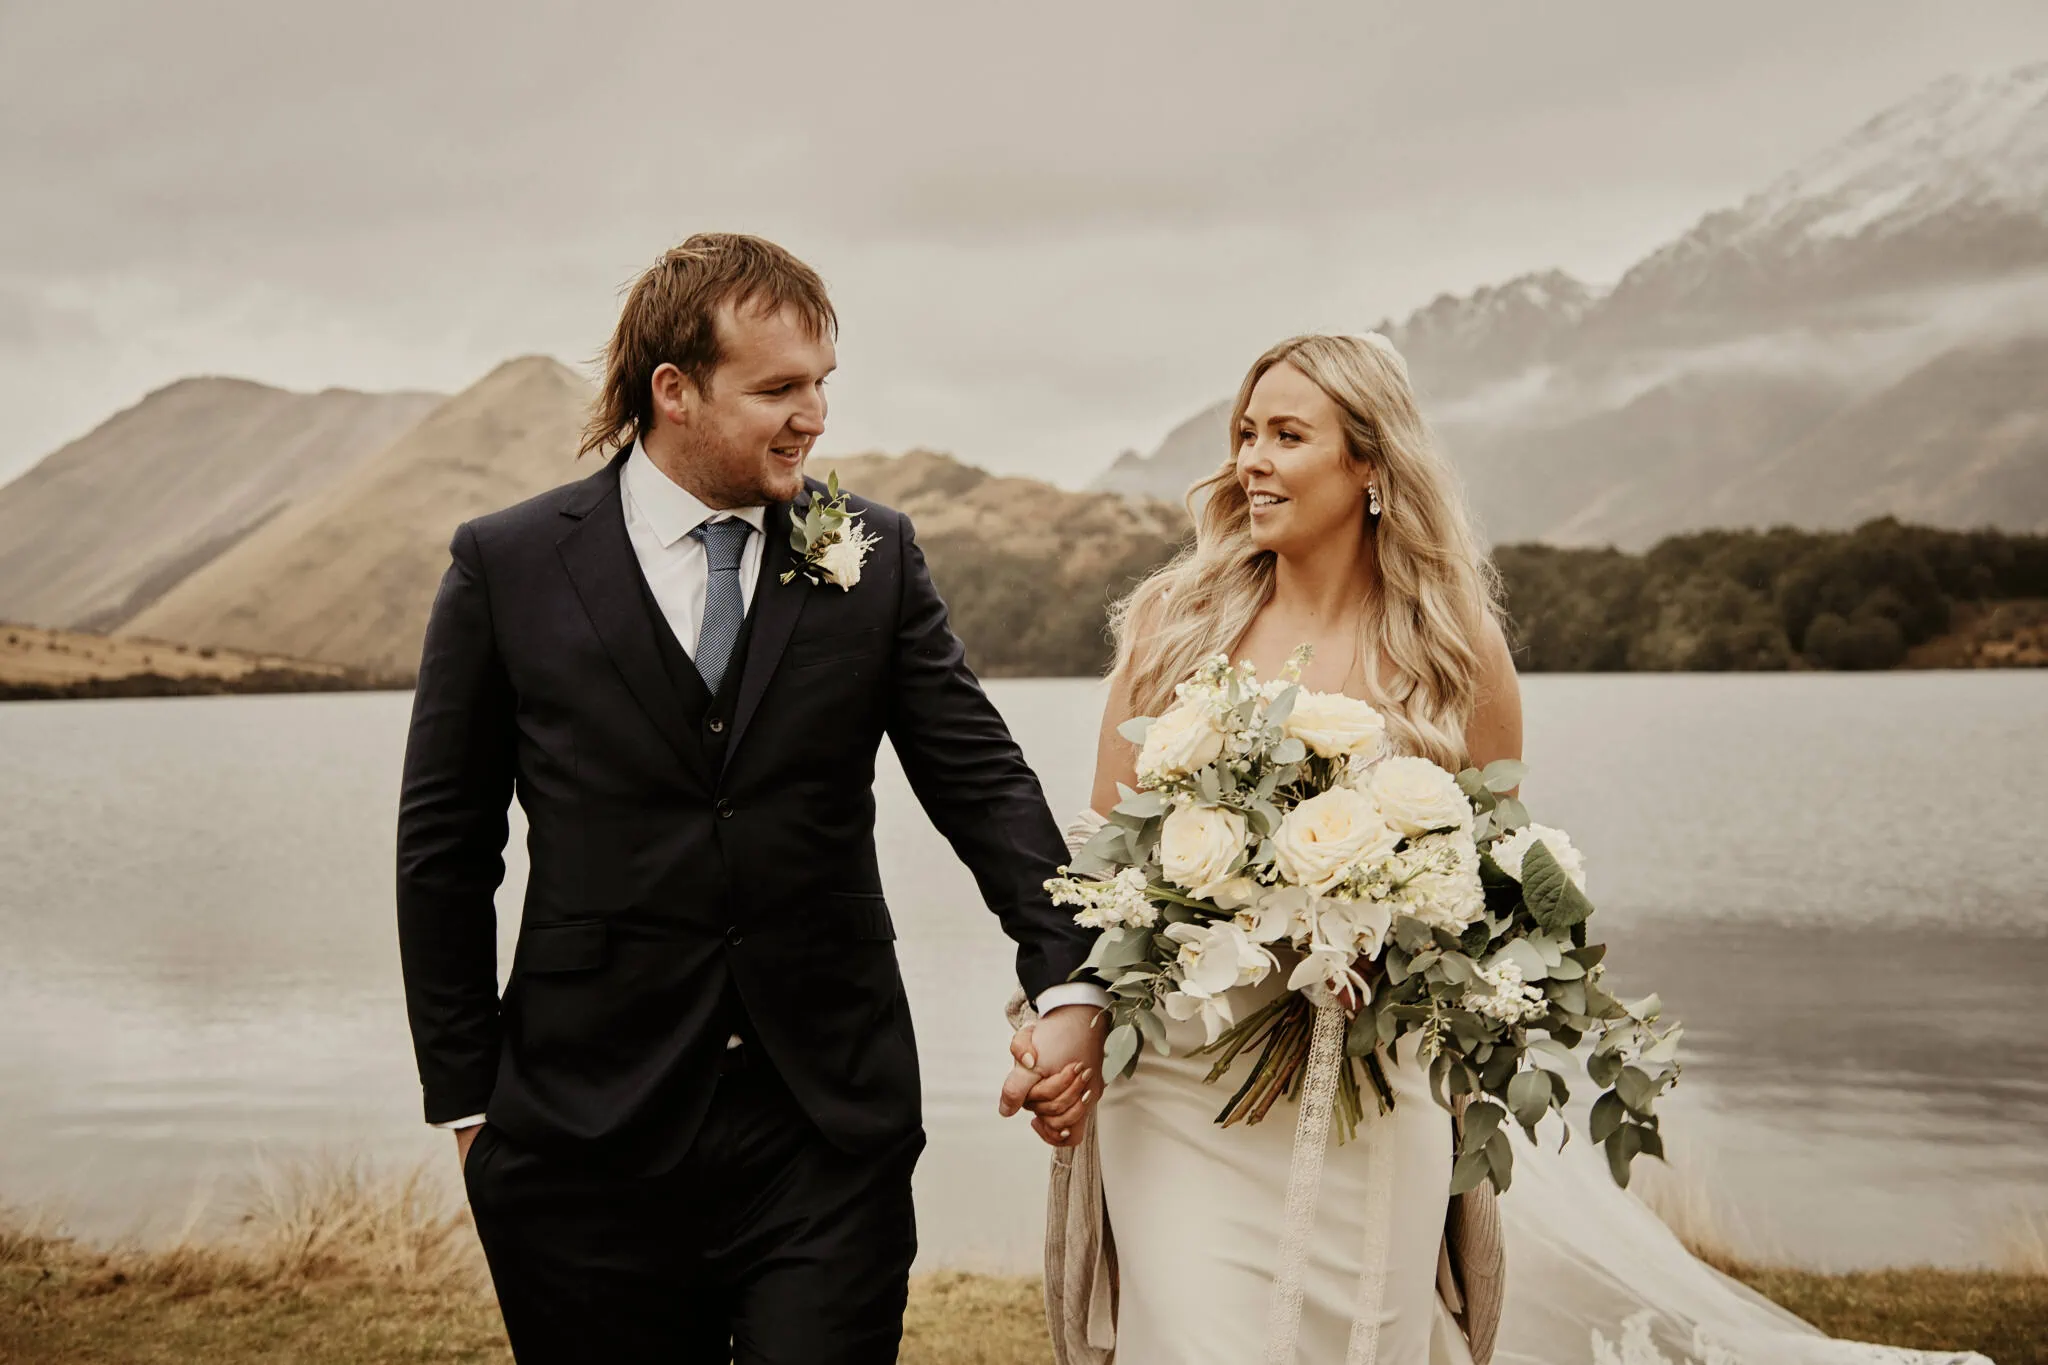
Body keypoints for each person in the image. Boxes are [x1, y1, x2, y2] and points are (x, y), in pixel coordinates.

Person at [1000, 333, 1992, 1365]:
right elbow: (1105, 867)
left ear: (1370, 464)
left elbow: (1491, 873)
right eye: (1243, 434)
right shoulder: (1174, 621)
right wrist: (1069, 1011)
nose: (1249, 459)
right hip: (1179, 1074)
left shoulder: (1447, 643)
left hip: (1371, 1078)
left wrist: (1395, 928)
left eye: (1285, 436)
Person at [395, 232, 1107, 1364]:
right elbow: (444, 848)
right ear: (672, 391)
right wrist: (468, 1103)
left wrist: (1069, 973)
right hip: (580, 1131)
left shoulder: (874, 553)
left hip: (826, 1121)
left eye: (821, 384)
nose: (812, 416)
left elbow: (978, 779)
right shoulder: (508, 564)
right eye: (778, 388)